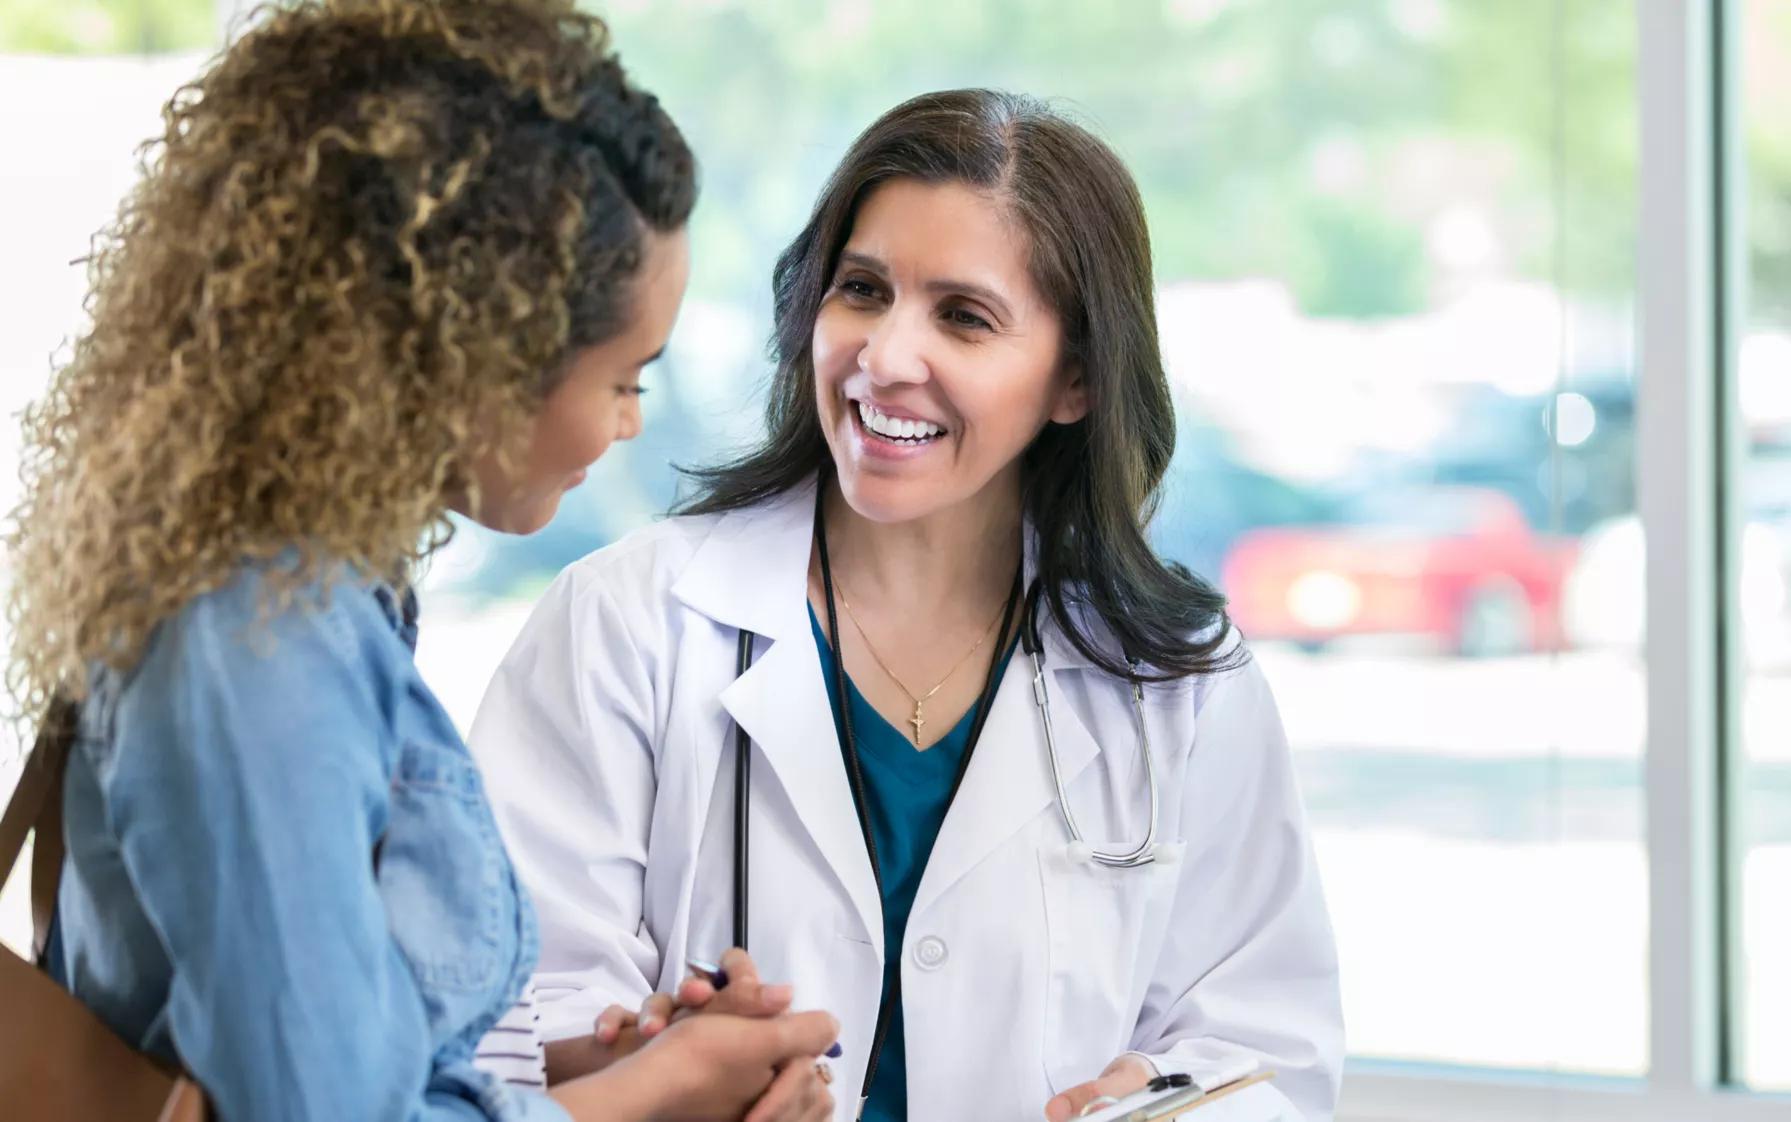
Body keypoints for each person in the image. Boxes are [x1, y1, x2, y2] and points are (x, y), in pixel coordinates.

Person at [2, 2, 838, 1119]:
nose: (631, 423)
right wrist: (654, 1098)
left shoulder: (318, 596)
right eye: (623, 379)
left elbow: (339, 1057)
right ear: (473, 358)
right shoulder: (256, 649)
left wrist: (584, 1078)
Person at [469, 88, 1344, 1122]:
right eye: (861, 290)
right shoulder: (626, 624)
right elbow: (503, 1011)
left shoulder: (1179, 680)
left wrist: (1157, 1102)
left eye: (963, 317)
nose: (884, 358)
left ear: (1075, 380)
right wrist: (653, 1057)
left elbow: (1265, 1052)